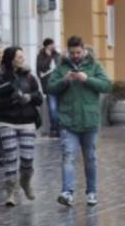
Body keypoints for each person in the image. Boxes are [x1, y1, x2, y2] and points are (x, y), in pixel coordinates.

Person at [48, 36, 111, 207]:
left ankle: (91, 192)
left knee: (90, 158)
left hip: (89, 120)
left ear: (83, 50)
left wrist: (87, 79)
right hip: (68, 120)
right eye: (72, 52)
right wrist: (64, 81)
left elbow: (107, 85)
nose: (75, 55)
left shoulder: (94, 66)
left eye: (78, 52)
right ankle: (67, 192)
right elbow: (50, 88)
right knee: (68, 156)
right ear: (68, 51)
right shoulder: (61, 68)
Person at [0, 47, 42, 207]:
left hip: (27, 121)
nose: (22, 58)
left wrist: (29, 97)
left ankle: (25, 182)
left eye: (22, 55)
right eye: (18, 56)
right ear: (10, 59)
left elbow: (39, 97)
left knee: (27, 158)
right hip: (7, 121)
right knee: (10, 157)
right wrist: (11, 99)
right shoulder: (0, 78)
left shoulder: (29, 78)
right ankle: (11, 191)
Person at [36, 38, 62, 137]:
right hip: (49, 86)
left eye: (53, 44)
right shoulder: (41, 56)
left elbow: (61, 68)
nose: (53, 46)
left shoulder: (58, 55)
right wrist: (48, 56)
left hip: (60, 85)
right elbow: (41, 69)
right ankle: (54, 129)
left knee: (59, 108)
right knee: (53, 109)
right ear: (46, 46)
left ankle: (60, 129)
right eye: (51, 44)